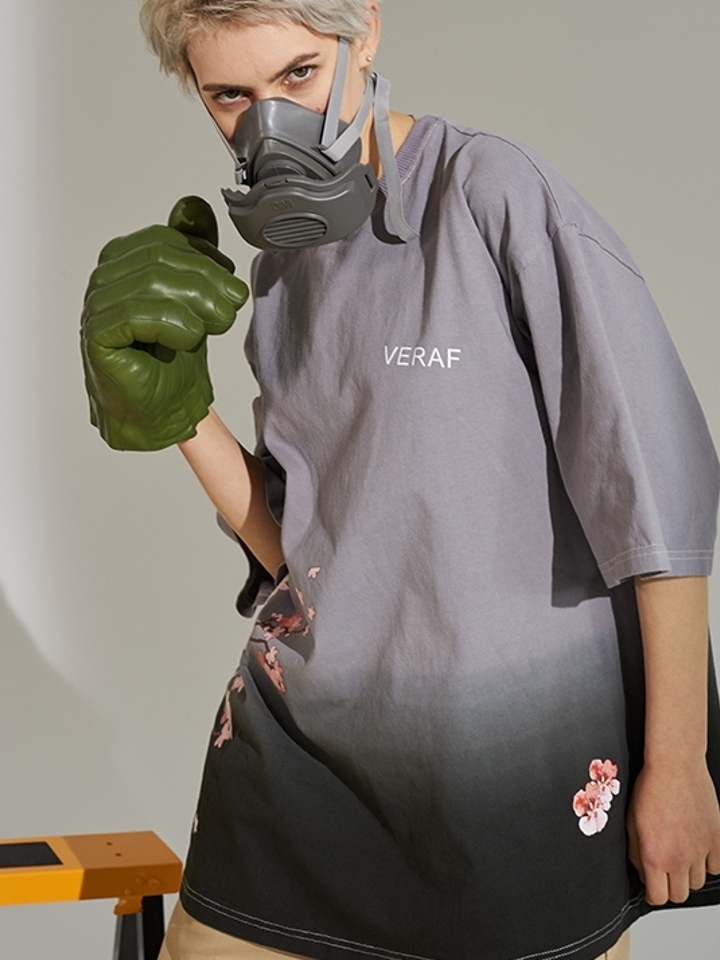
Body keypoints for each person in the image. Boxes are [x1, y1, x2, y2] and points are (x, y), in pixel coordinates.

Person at [80, 2, 720, 958]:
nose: (270, 125)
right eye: (231, 95)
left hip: (509, 768)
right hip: (303, 754)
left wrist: (680, 763)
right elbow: (308, 548)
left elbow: (653, 492)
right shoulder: (279, 262)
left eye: (299, 74)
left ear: (365, 31)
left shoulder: (492, 193)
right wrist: (183, 416)